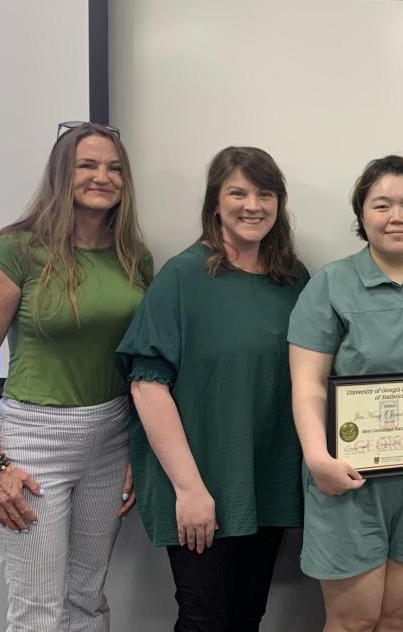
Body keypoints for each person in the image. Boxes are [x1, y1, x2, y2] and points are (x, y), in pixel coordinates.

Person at [117, 147, 309, 632]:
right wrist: (190, 489)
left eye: (265, 194)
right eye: (238, 192)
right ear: (215, 203)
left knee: (247, 617)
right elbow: (147, 386)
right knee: (205, 619)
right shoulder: (183, 275)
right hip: (199, 482)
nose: (253, 205)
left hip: (265, 479)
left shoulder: (294, 281)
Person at [289, 154, 403, 632]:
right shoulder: (330, 284)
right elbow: (307, 385)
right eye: (382, 205)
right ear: (362, 215)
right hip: (347, 479)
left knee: (395, 617)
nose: (397, 217)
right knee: (354, 619)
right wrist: (316, 457)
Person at [0, 121, 151, 631]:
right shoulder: (16, 249)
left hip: (110, 437)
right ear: (63, 173)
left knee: (86, 600)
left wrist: (136, 447)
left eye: (114, 168)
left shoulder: (133, 256)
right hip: (32, 444)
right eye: (88, 164)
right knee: (39, 611)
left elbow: (138, 363)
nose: (102, 176)